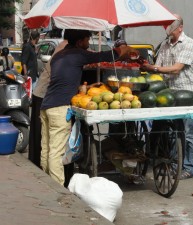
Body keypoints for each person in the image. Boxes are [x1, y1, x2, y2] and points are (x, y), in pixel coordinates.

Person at [40, 29, 138, 186]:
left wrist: (86, 86)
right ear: (79, 42)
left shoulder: (58, 56)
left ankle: (46, 185)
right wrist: (124, 50)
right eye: (87, 40)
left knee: (46, 150)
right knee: (56, 152)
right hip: (60, 107)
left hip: (46, 106)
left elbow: (64, 80)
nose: (88, 43)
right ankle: (57, 190)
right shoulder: (78, 53)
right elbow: (107, 55)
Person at [141, 15, 193, 180]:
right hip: (168, 92)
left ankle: (189, 168)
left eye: (170, 26)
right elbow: (158, 67)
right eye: (166, 26)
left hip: (186, 91)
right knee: (172, 132)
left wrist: (155, 68)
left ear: (180, 27)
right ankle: (174, 164)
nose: (168, 29)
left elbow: (176, 69)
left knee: (188, 132)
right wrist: (149, 68)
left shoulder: (189, 43)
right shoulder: (165, 45)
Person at [28, 33, 68, 169]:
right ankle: (41, 168)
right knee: (45, 141)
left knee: (47, 142)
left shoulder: (69, 47)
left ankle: (43, 168)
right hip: (43, 95)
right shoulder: (64, 46)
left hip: (49, 96)